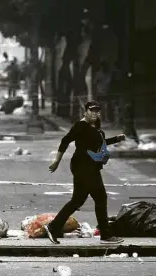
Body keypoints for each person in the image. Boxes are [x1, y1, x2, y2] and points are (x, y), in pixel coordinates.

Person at [45, 101, 126, 245]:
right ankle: (106, 234)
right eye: (92, 110)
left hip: (91, 167)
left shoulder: (95, 126)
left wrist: (116, 139)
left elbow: (97, 143)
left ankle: (53, 227)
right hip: (82, 166)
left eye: (97, 111)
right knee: (100, 197)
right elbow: (65, 140)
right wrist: (56, 161)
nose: (95, 113)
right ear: (85, 112)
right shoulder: (81, 126)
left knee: (77, 200)